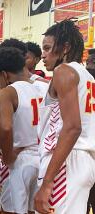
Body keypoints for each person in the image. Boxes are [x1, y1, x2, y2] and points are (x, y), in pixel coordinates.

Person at [34, 19, 95, 214]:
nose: (42, 54)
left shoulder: (64, 71)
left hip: (67, 160)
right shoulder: (87, 76)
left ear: (65, 47)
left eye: (47, 48)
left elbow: (72, 127)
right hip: (81, 159)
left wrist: (47, 183)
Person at [0, 47, 46, 214]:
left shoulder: (8, 92)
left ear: (4, 74)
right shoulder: (43, 87)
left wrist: (8, 154)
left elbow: (5, 127)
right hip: (42, 158)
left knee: (11, 210)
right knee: (33, 210)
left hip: (21, 158)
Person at [86, 48, 95, 214]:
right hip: (85, 155)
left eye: (92, 63)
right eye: (87, 62)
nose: (89, 66)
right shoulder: (84, 86)